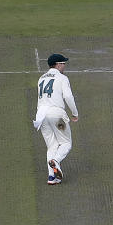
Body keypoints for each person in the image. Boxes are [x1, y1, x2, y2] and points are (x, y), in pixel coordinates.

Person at [33, 54, 79, 185]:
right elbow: (68, 97)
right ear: (58, 65)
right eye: (63, 64)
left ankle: (52, 177)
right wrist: (75, 113)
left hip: (41, 116)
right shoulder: (62, 78)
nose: (64, 66)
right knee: (66, 143)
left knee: (52, 146)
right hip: (56, 115)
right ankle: (56, 161)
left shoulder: (41, 78)